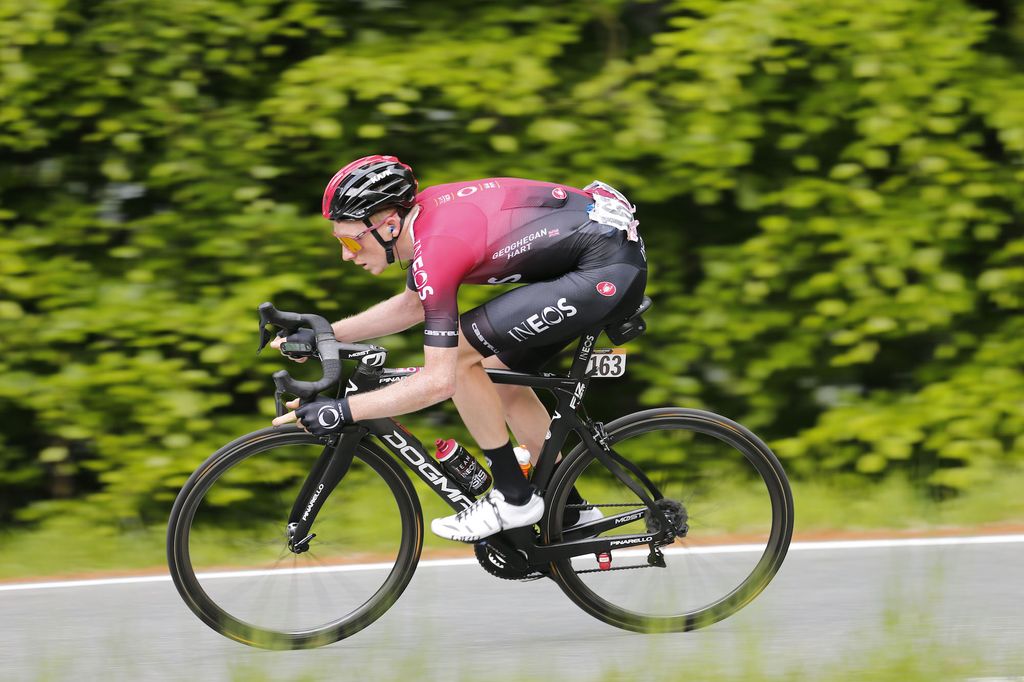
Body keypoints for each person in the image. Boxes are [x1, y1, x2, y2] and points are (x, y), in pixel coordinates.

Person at [271, 154, 647, 543]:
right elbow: (411, 307)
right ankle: (570, 512)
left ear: (388, 225)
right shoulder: (427, 221)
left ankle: (514, 498)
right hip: (600, 258)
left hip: (603, 272)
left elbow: (439, 382)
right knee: (501, 378)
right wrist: (326, 335)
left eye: (350, 240)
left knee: (464, 352)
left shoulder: (437, 247)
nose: (346, 254)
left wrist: (343, 411)